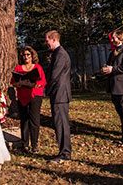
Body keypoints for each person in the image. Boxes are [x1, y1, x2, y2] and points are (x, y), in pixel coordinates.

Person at [101, 30, 123, 146]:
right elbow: (110, 66)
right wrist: (105, 69)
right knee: (121, 112)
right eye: (111, 38)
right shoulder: (112, 53)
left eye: (114, 38)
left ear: (120, 38)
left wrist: (113, 69)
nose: (112, 40)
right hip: (114, 87)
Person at [10, 46, 46, 154]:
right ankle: (24, 144)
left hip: (35, 96)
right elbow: (13, 82)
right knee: (24, 120)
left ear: (32, 56)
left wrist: (37, 85)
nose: (26, 57)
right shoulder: (18, 68)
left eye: (28, 55)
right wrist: (18, 84)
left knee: (34, 120)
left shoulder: (38, 67)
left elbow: (43, 81)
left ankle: (34, 145)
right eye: (24, 55)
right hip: (22, 96)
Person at [45, 30, 72, 163]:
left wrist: (46, 90)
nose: (46, 43)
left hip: (60, 94)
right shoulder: (56, 54)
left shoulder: (60, 54)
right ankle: (63, 151)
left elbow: (54, 76)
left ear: (54, 39)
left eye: (47, 40)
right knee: (59, 123)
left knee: (61, 124)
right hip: (58, 94)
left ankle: (65, 153)